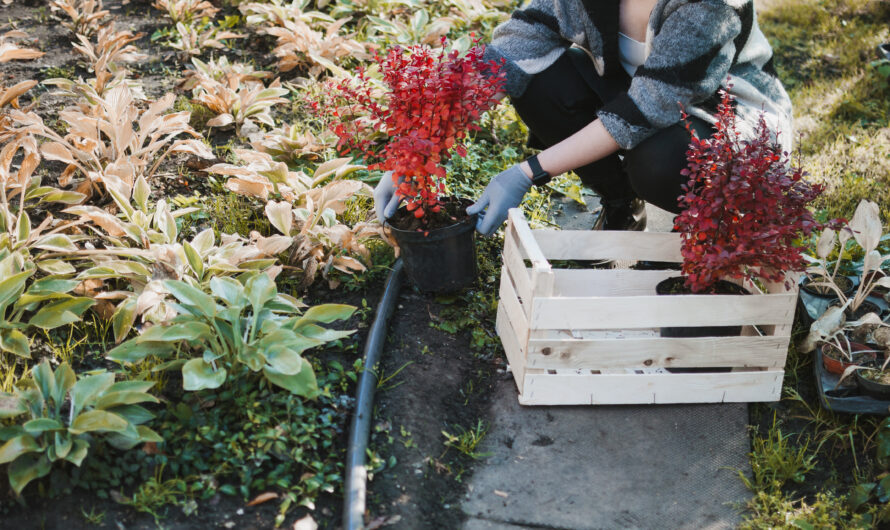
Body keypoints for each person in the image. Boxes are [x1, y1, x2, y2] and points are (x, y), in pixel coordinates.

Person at [375, 0, 793, 236]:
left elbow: (648, 109)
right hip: (644, 100)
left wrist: (527, 172)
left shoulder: (711, 7)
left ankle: (707, 232)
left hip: (729, 125)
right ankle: (620, 205)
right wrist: (418, 145)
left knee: (657, 161)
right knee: (537, 78)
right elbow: (509, 53)